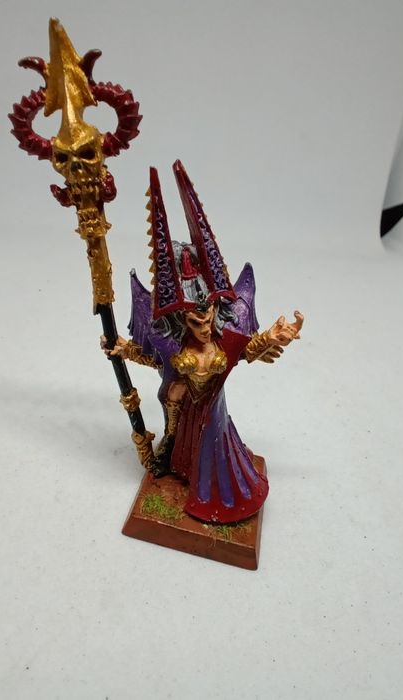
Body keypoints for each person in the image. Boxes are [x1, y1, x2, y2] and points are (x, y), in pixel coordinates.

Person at [102, 161, 303, 523]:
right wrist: (123, 348)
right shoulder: (174, 345)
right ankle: (176, 467)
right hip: (181, 411)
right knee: (178, 444)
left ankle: (211, 489)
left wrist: (276, 336)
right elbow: (153, 359)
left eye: (208, 317)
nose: (205, 325)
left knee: (212, 454)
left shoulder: (224, 339)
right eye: (196, 321)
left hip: (213, 417)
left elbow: (249, 349)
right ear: (183, 320)